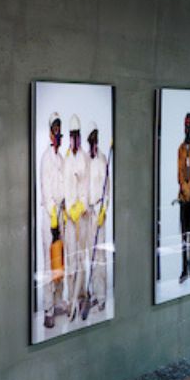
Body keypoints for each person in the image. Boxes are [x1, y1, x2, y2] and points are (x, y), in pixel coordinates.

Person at [38, 114, 67, 331]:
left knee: (61, 261)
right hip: (49, 216)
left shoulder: (62, 159)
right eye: (54, 129)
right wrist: (54, 220)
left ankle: (59, 301)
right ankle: (48, 309)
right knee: (50, 263)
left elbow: (64, 188)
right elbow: (47, 192)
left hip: (61, 214)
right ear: (50, 133)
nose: (57, 132)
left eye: (60, 128)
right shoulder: (46, 158)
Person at [82, 128, 111, 315]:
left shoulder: (102, 161)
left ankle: (101, 297)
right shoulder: (86, 161)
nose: (92, 145)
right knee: (88, 255)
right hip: (88, 213)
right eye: (89, 142)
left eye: (94, 141)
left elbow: (107, 192)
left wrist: (103, 211)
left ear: (97, 141)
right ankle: (92, 294)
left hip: (99, 213)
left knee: (99, 257)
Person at [65, 116, 91, 321]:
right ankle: (71, 300)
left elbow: (86, 186)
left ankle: (80, 299)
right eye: (71, 135)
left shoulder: (84, 158)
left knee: (81, 259)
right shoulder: (67, 159)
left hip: (81, 218)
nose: (74, 139)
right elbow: (66, 187)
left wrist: (80, 205)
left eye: (77, 135)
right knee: (70, 260)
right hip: (69, 219)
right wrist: (68, 208)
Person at [176, 113, 190, 282]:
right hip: (183, 197)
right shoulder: (180, 149)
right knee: (184, 234)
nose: (188, 128)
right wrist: (185, 188)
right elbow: (179, 172)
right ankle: (184, 268)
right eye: (186, 125)